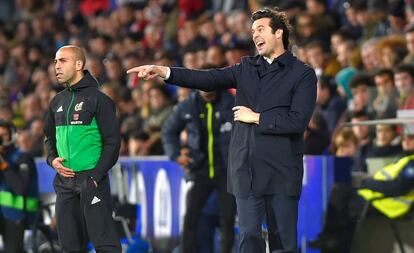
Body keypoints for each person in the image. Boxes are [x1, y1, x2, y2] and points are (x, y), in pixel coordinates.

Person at [128, 7, 317, 253]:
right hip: (245, 171)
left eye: (260, 29)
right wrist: (164, 71)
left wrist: (257, 118)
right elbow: (208, 78)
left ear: (278, 33)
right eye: (252, 31)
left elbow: (298, 121)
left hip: (281, 172)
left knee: (283, 243)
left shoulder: (302, 74)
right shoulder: (246, 68)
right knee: (249, 236)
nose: (255, 35)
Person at [44, 45, 121, 253]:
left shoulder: (99, 100)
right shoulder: (56, 101)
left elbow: (113, 143)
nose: (56, 66)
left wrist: (96, 176)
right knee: (70, 247)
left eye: (62, 61)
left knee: (105, 245)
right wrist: (52, 159)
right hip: (64, 182)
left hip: (91, 181)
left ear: (79, 64)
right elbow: (49, 138)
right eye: (55, 61)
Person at [309, 126, 414, 253]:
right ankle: (334, 242)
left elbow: (399, 188)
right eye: (404, 138)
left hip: (388, 204)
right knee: (346, 212)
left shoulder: (411, 164)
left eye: (411, 138)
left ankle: (331, 239)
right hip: (378, 200)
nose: (406, 141)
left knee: (341, 191)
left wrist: (369, 183)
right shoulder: (405, 159)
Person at [162, 90, 236, 253]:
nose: (208, 91)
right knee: (190, 217)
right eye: (204, 87)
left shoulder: (231, 103)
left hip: (226, 170)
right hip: (199, 169)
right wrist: (175, 154)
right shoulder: (188, 104)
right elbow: (168, 131)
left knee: (228, 218)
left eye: (211, 87)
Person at [0, 120, 38, 253]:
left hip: (17, 216)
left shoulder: (22, 157)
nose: (1, 139)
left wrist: (3, 166)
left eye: (3, 135)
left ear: (13, 135)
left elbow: (20, 188)